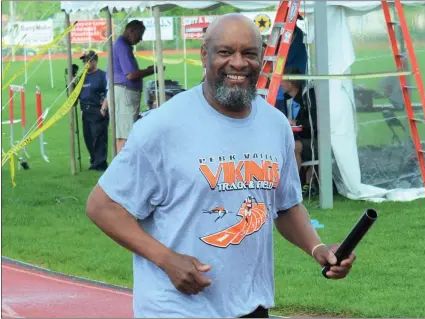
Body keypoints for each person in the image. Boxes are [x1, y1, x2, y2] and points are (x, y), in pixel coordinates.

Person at [86, 13, 355, 319]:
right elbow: (102, 205)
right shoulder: (162, 127)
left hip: (251, 306)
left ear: (262, 58)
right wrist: (167, 259)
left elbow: (286, 206)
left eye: (249, 53)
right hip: (175, 309)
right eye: (226, 52)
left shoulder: (275, 125)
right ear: (205, 54)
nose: (238, 63)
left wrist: (317, 248)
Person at [112, 20, 157, 153]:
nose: (141, 39)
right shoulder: (122, 46)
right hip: (125, 93)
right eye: (140, 34)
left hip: (124, 93)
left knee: (125, 133)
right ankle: (122, 170)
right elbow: (130, 75)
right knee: (125, 136)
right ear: (131, 31)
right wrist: (150, 70)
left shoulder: (123, 45)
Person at [280, 67, 318, 195]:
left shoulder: (308, 98)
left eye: (283, 81)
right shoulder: (285, 99)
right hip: (296, 137)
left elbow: (316, 122)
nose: (280, 83)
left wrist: (296, 123)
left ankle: (293, 186)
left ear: (291, 83)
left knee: (294, 147)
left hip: (314, 140)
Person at [78, 50, 109, 171]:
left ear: (95, 61)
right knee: (88, 137)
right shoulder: (82, 77)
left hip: (98, 109)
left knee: (99, 138)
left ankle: (100, 163)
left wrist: (104, 108)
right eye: (84, 61)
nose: (85, 63)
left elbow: (108, 92)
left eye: (87, 60)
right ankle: (94, 160)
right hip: (86, 111)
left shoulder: (102, 76)